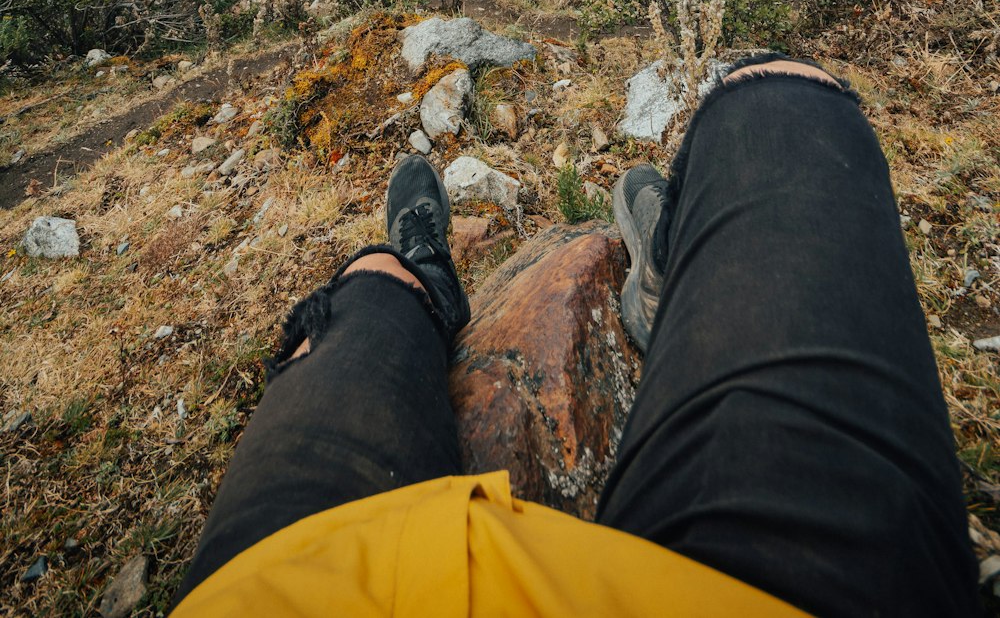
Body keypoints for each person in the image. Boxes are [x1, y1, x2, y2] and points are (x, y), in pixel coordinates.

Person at [171, 56, 979, 617]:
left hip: (297, 584)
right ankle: (672, 270)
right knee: (786, 100)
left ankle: (423, 272)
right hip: (779, 588)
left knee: (368, 289)